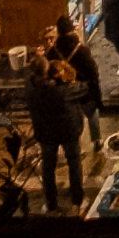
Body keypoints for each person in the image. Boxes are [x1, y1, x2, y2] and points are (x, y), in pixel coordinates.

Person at [20, 50, 86, 213]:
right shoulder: (60, 89)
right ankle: (76, 202)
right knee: (74, 163)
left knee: (48, 168)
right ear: (46, 69)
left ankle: (51, 204)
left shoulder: (30, 86)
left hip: (46, 133)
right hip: (67, 131)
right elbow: (82, 88)